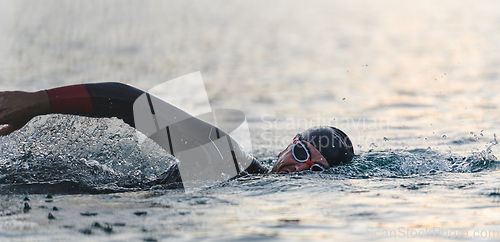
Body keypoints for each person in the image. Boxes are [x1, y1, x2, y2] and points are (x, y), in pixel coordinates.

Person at [0, 82, 355, 188]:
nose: (300, 170)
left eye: (317, 171)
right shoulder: (228, 159)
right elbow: (131, 102)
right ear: (287, 146)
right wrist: (36, 102)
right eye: (303, 155)